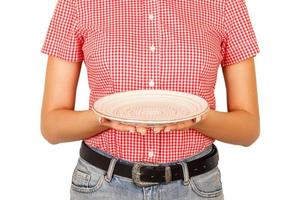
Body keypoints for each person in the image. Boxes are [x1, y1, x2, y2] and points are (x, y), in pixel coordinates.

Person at [40, 0, 260, 199]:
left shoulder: (225, 4)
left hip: (194, 188)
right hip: (103, 188)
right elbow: (52, 126)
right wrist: (102, 118)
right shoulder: (77, 3)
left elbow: (248, 129)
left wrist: (199, 119)